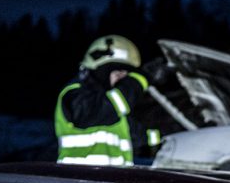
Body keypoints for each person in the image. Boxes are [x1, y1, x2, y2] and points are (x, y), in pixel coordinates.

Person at [55, 35, 163, 166]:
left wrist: (168, 138)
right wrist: (140, 79)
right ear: (103, 71)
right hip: (79, 180)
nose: (122, 80)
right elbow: (98, 111)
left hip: (112, 182)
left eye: (125, 76)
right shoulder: (75, 94)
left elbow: (138, 135)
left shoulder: (116, 111)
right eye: (118, 74)